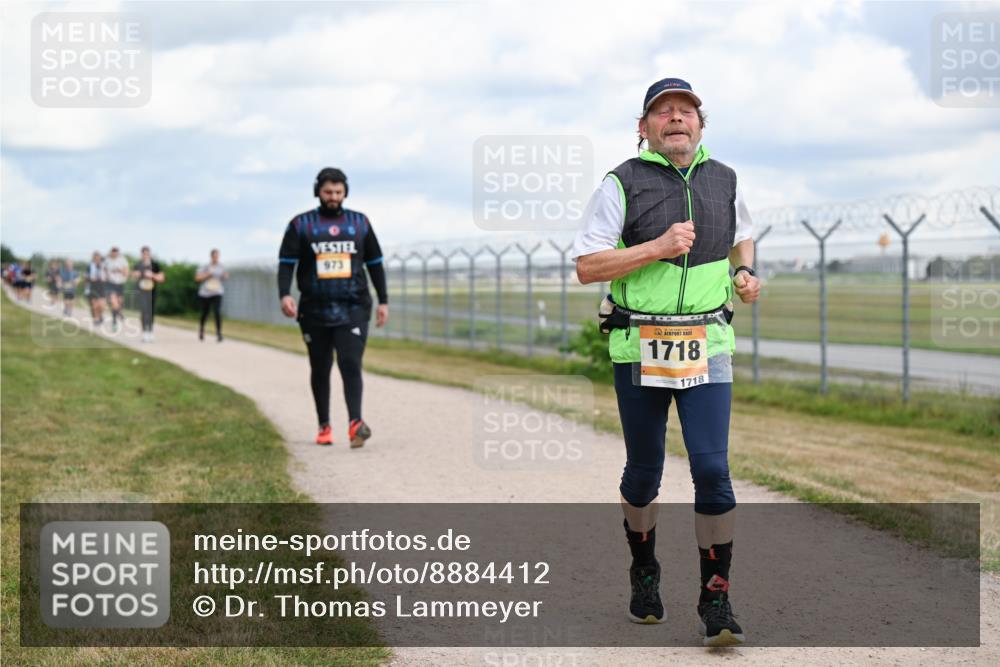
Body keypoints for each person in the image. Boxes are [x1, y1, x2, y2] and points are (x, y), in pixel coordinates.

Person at [573, 78, 761, 647]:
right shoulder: (620, 182)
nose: (675, 119)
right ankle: (645, 571)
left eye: (686, 111)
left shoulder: (724, 179)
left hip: (708, 342)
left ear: (701, 126)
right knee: (644, 474)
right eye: (663, 112)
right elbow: (588, 266)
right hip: (639, 346)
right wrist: (657, 246)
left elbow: (743, 236)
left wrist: (744, 274)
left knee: (713, 471)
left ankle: (716, 598)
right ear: (644, 127)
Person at [277, 167, 389, 447]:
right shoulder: (301, 225)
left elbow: (375, 264)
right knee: (321, 367)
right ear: (318, 192)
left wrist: (383, 300)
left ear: (345, 192)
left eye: (338, 192)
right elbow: (286, 265)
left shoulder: (360, 223)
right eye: (328, 192)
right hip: (314, 309)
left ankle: (355, 423)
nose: (333, 197)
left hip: (353, 306)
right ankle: (324, 425)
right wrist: (284, 294)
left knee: (351, 363)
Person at [132, 246, 165, 342]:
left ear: (150, 254)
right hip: (141, 291)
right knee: (143, 311)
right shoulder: (138, 265)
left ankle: (150, 331)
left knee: (151, 311)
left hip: (152, 291)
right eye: (144, 253)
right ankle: (144, 332)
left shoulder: (155, 265)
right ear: (141, 254)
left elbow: (162, 278)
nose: (145, 255)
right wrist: (137, 274)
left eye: (147, 253)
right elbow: (133, 276)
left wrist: (152, 275)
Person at [195, 248, 228, 342]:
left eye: (217, 256)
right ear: (211, 256)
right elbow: (197, 278)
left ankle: (219, 333)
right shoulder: (206, 266)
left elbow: (226, 276)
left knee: (217, 312)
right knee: (205, 313)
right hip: (206, 293)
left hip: (217, 291)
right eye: (214, 256)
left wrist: (224, 276)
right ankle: (201, 329)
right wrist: (208, 274)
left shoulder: (221, 266)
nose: (216, 258)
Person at [104, 247, 129, 331]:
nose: (114, 253)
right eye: (113, 252)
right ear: (111, 252)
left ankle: (119, 312)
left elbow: (126, 274)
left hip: (120, 284)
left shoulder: (123, 260)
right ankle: (114, 322)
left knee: (119, 303)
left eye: (116, 252)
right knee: (114, 303)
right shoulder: (107, 261)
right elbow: (104, 271)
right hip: (111, 283)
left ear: (118, 253)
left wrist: (119, 270)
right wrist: (105, 276)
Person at [86, 251, 107, 325]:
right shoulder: (90, 266)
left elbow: (107, 275)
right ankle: (96, 319)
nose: (97, 260)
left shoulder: (104, 265)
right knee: (94, 305)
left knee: (101, 305)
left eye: (98, 258)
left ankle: (100, 315)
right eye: (95, 258)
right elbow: (87, 277)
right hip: (93, 286)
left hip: (101, 287)